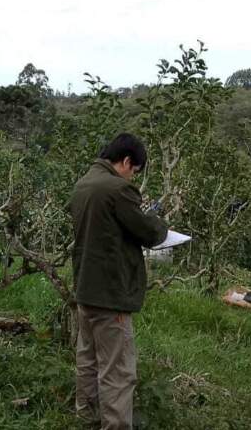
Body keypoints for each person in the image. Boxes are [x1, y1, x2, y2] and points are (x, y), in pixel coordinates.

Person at [69, 133, 168, 430]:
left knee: (88, 362)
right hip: (110, 294)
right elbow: (148, 232)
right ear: (126, 161)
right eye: (134, 170)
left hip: (85, 289)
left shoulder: (84, 183)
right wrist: (159, 224)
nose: (132, 176)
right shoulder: (118, 189)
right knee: (118, 372)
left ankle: (86, 419)